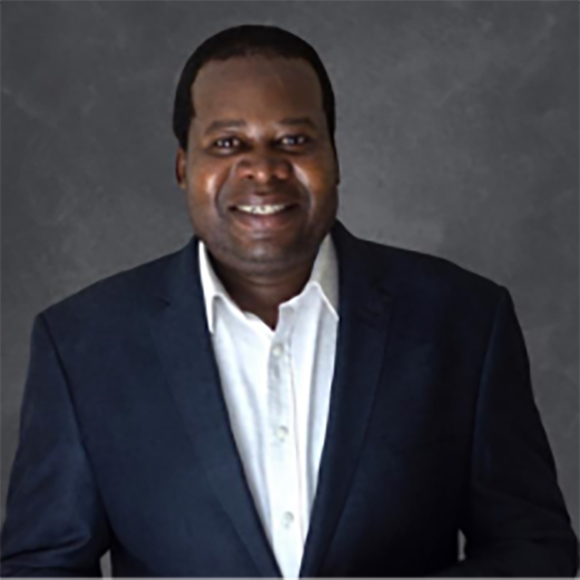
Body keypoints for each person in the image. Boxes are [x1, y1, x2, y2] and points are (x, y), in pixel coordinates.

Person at [0, 23, 577, 580]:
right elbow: (40, 566)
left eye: (294, 141)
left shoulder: (464, 320)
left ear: (335, 158)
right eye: (228, 143)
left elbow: (534, 547)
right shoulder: (83, 345)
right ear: (183, 167)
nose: (263, 168)